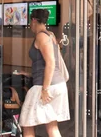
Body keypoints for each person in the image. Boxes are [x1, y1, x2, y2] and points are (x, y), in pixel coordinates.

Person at [19, 8, 69, 136]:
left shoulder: (41, 36)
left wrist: (45, 89)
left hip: (46, 86)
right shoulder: (50, 35)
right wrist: (29, 74)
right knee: (52, 126)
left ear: (34, 20)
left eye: (30, 21)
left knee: (27, 123)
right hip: (56, 84)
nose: (30, 24)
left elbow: (51, 63)